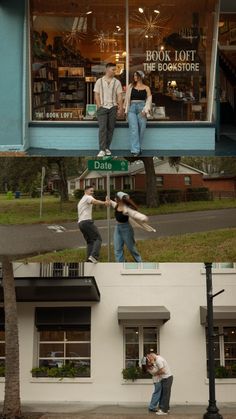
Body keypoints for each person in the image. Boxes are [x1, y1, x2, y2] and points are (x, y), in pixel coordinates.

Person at [108, 191, 156, 262]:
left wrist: (143, 218)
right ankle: (120, 264)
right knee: (117, 249)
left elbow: (134, 214)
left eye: (116, 197)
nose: (114, 198)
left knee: (131, 248)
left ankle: (139, 262)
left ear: (120, 199)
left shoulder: (126, 209)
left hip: (126, 229)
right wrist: (108, 200)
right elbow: (112, 202)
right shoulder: (117, 205)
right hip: (117, 228)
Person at [94, 63, 123, 157]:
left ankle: (107, 147)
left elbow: (119, 96)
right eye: (113, 69)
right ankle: (102, 149)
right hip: (102, 107)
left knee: (111, 128)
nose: (114, 71)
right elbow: (96, 94)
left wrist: (120, 108)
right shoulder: (99, 81)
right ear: (107, 69)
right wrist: (99, 106)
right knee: (102, 128)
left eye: (115, 70)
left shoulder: (117, 82)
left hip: (113, 107)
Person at [124, 71, 152, 156]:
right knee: (134, 129)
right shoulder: (130, 86)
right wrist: (125, 109)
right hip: (132, 109)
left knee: (142, 129)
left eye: (137, 75)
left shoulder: (146, 88)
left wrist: (145, 110)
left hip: (142, 109)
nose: (135, 77)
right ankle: (135, 150)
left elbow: (149, 100)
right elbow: (126, 98)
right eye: (134, 75)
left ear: (141, 76)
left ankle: (138, 147)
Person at [78, 186, 108, 263]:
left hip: (81, 223)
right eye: (91, 191)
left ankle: (89, 260)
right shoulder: (88, 197)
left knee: (90, 242)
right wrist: (104, 203)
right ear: (86, 191)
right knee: (98, 239)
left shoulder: (82, 200)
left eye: (93, 191)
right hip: (87, 222)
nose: (92, 192)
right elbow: (94, 202)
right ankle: (94, 256)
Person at [146, 351, 173, 416]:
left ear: (152, 356)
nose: (149, 359)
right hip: (166, 378)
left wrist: (156, 373)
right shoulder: (158, 359)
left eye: (149, 358)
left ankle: (164, 411)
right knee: (165, 394)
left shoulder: (158, 360)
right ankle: (166, 408)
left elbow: (163, 371)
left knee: (165, 395)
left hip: (166, 378)